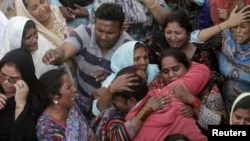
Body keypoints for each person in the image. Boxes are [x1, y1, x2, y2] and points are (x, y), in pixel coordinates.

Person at [42, 3, 133, 101]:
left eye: (110, 33)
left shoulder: (130, 48)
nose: (104, 37)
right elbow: (64, 51)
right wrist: (56, 55)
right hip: (81, 100)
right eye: (99, 30)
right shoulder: (84, 32)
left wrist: (110, 77)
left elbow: (131, 81)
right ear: (94, 23)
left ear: (121, 30)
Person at [126, 48, 210, 141]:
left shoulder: (208, 89)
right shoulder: (154, 88)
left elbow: (219, 126)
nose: (171, 75)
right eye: (165, 72)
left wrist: (193, 102)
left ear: (187, 67)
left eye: (175, 69)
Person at [192, 5, 250, 112]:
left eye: (243, 26)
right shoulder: (225, 38)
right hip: (228, 100)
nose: (238, 31)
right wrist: (227, 23)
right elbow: (195, 39)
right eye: (235, 26)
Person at [90, 66, 168, 140]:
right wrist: (146, 110)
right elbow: (118, 137)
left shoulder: (154, 101)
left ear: (131, 101)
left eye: (116, 100)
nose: (112, 102)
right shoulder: (113, 113)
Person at [92, 41, 159, 116]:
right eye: (136, 59)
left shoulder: (154, 71)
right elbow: (96, 112)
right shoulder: (112, 82)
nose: (143, 62)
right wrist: (110, 90)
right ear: (125, 60)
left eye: (145, 57)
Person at [35, 68, 96, 140]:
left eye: (72, 85)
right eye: (69, 87)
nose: (74, 89)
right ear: (55, 97)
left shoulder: (73, 101)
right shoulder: (47, 129)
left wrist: (108, 91)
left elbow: (93, 108)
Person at [0, 48, 38, 141]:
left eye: (13, 79)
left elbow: (25, 136)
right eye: (2, 75)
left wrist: (20, 105)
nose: (6, 82)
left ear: (25, 78)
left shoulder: (35, 101)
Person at [93, 0, 170, 41]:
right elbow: (97, 25)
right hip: (117, 45)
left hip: (149, 44)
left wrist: (151, 3)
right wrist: (116, 26)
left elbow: (168, 22)